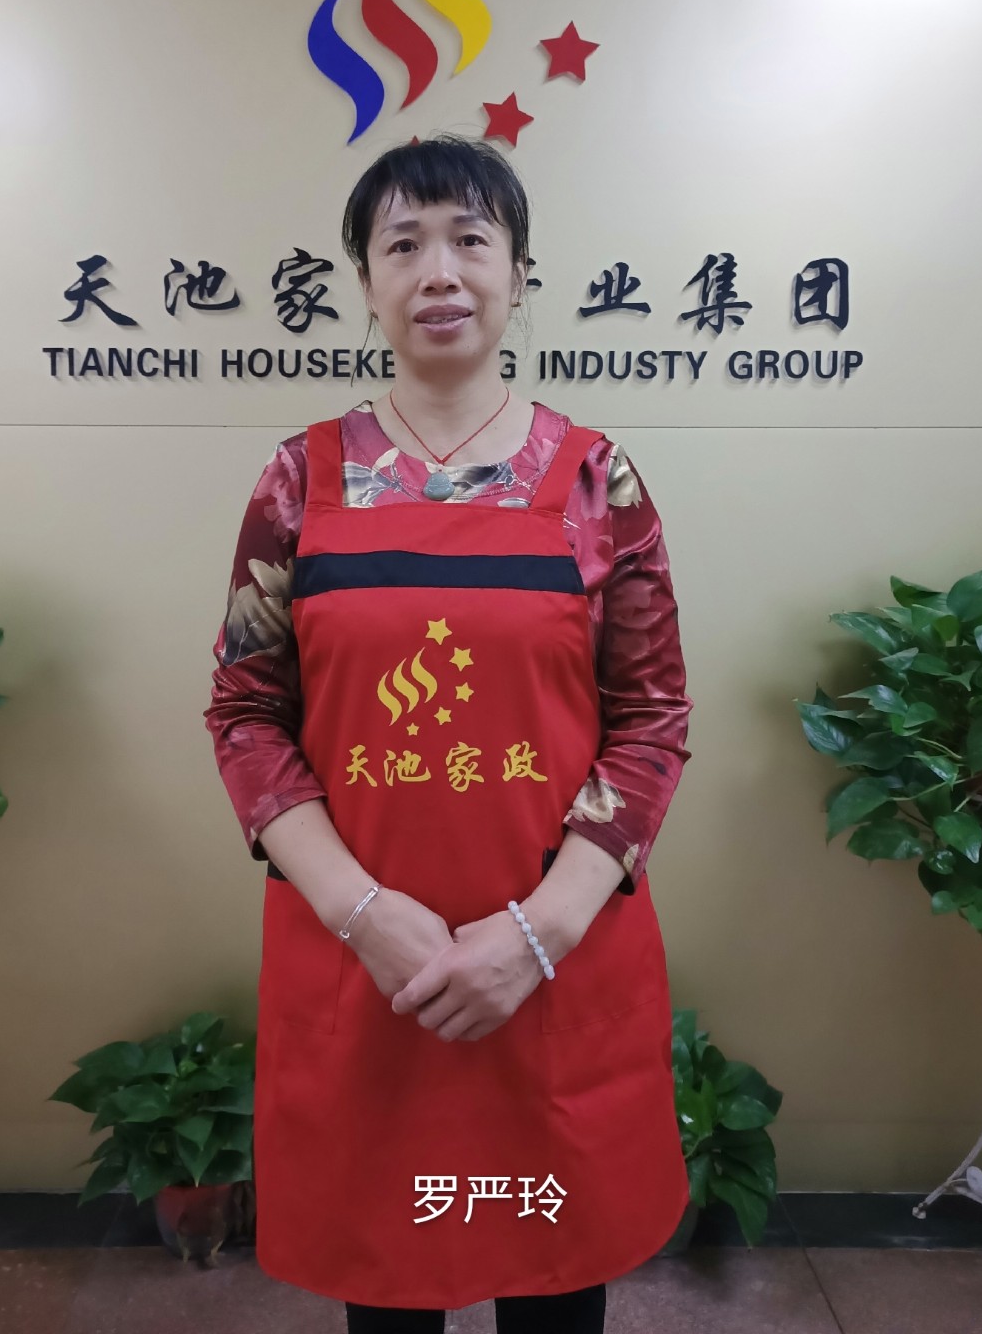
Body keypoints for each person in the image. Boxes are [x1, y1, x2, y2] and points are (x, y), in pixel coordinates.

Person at [203, 134, 694, 1334]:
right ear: (365, 281)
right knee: (389, 1290)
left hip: (555, 967)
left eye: (472, 239)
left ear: (519, 273)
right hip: (370, 969)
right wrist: (362, 913)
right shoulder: (298, 479)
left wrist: (541, 931)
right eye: (404, 243)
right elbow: (247, 713)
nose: (440, 270)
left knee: (555, 1287)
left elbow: (652, 719)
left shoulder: (597, 480)